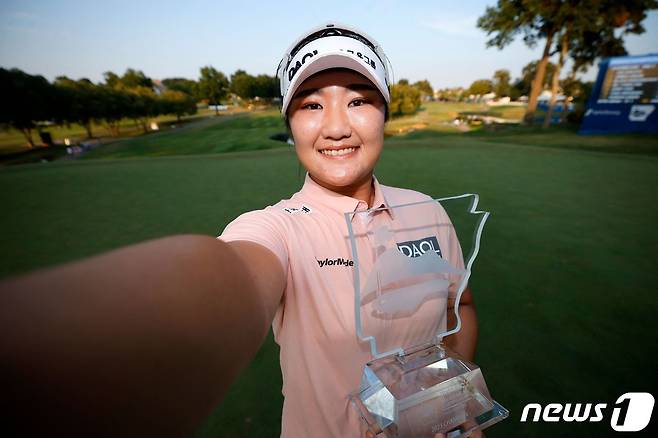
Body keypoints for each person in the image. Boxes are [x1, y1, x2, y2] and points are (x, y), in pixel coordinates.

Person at [0, 23, 478, 437]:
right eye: (311, 105)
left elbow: (463, 308)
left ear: (385, 114)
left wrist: (444, 408)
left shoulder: (428, 211)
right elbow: (233, 277)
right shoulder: (276, 228)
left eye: (358, 100)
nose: (336, 127)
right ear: (290, 123)